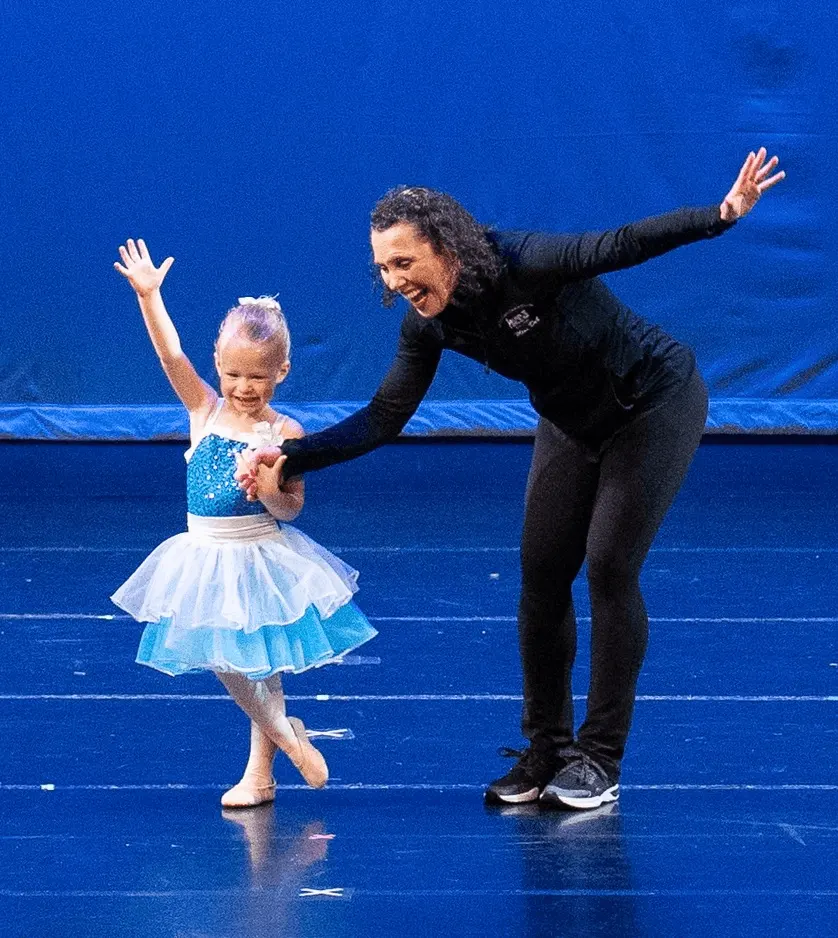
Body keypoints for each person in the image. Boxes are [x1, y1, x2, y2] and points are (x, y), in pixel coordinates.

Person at [237, 149, 785, 810]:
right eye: (383, 267)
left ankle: (600, 759)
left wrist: (719, 216)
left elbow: (622, 244)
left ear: (446, 247)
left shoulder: (522, 261)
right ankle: (546, 749)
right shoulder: (428, 326)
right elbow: (385, 417)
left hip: (653, 403)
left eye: (404, 262)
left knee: (611, 565)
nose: (394, 279)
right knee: (542, 573)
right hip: (570, 423)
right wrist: (291, 460)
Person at [110, 239, 377, 808]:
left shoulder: (287, 433)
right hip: (204, 556)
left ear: (281, 369)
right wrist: (150, 297)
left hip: (259, 553)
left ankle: (260, 773)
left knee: (261, 660)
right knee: (228, 660)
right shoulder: (204, 411)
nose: (244, 388)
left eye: (257, 377)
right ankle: (287, 735)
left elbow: (291, 510)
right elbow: (169, 357)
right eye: (233, 374)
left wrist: (268, 488)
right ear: (218, 366)